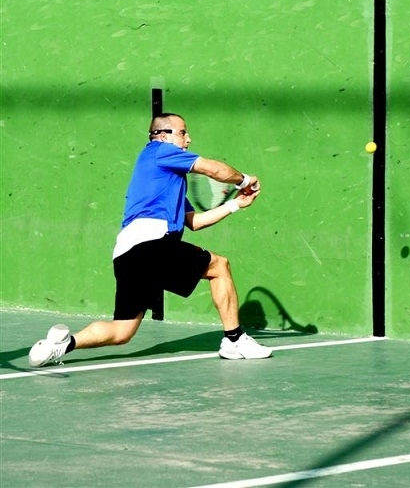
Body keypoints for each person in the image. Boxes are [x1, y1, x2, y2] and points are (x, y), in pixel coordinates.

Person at [29, 113, 272, 367]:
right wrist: (245, 180)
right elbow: (214, 169)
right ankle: (234, 340)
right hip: (151, 244)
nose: (188, 139)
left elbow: (194, 222)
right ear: (163, 135)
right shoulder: (160, 151)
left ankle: (62, 345)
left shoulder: (166, 182)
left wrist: (235, 204)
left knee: (122, 331)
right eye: (183, 133)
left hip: (126, 253)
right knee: (219, 266)